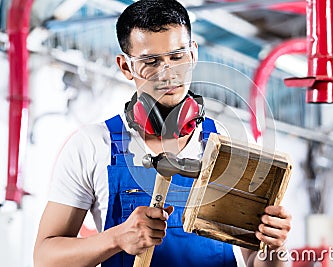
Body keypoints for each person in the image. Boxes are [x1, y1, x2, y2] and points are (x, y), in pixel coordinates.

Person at [34, 1, 292, 266]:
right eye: (151, 61)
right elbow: (45, 258)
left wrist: (273, 247)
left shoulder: (230, 145)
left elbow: (256, 260)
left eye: (177, 56)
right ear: (126, 67)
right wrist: (116, 238)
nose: (168, 73)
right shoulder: (92, 145)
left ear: (193, 53)